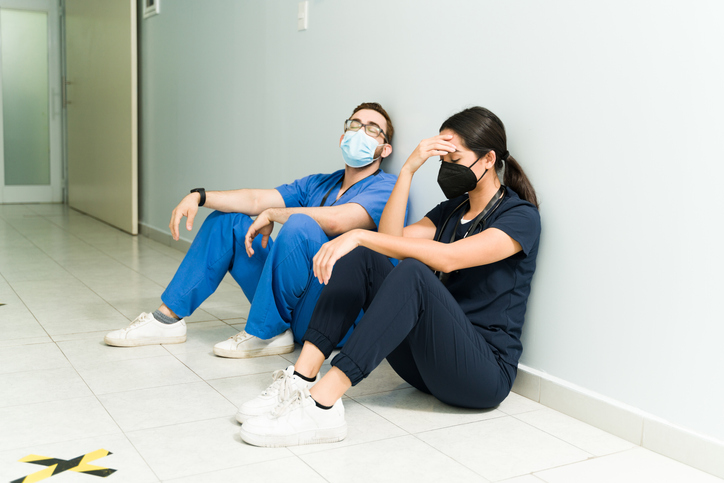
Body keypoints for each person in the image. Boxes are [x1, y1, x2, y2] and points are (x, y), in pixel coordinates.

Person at [237, 106, 541, 447]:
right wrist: (409, 169)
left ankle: (323, 405)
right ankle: (300, 379)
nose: (447, 168)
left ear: (487, 160)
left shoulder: (519, 216)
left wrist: (357, 233)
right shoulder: (451, 210)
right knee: (366, 257)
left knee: (409, 269)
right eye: (441, 160)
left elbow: (451, 259)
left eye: (453, 157)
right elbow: (390, 238)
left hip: (482, 376)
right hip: (428, 367)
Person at [104, 102, 399, 359]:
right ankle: (167, 319)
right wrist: (199, 196)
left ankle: (265, 332)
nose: (360, 132)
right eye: (355, 124)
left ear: (385, 148)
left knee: (300, 224)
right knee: (228, 221)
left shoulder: (387, 188)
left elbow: (337, 220)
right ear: (342, 136)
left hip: (335, 314)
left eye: (372, 129)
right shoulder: (320, 183)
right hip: (295, 302)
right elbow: (255, 200)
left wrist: (274, 214)